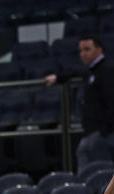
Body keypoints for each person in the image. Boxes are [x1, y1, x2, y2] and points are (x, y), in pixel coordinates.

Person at [44, 35, 114, 168]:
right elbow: (77, 71)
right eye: (81, 51)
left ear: (99, 50)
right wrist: (59, 77)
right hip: (92, 132)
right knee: (84, 158)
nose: (83, 54)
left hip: (103, 133)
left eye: (87, 49)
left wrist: (105, 131)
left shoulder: (108, 69)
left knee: (102, 172)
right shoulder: (92, 70)